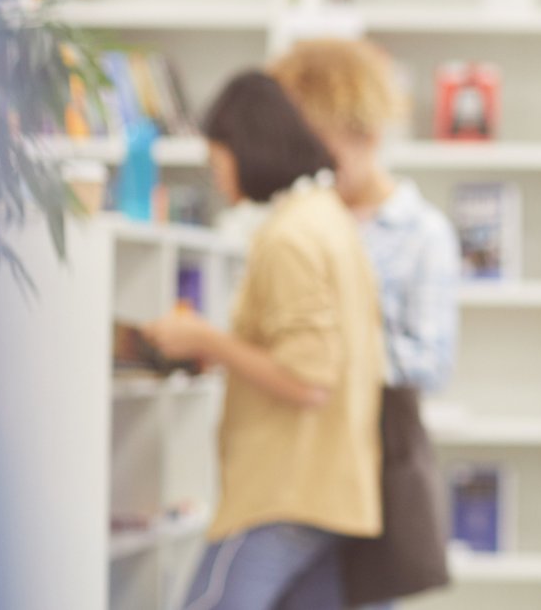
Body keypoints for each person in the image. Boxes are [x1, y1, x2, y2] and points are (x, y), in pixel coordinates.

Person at [146, 71, 384, 610]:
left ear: (244, 149)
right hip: (334, 490)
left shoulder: (288, 236)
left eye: (217, 160)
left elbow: (308, 380)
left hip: (284, 492)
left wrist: (207, 339)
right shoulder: (329, 220)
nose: (216, 177)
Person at [268, 39, 460, 395]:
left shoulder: (422, 232)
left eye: (323, 148)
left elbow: (431, 366)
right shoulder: (289, 221)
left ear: (368, 135)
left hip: (382, 423)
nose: (308, 164)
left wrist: (325, 350)